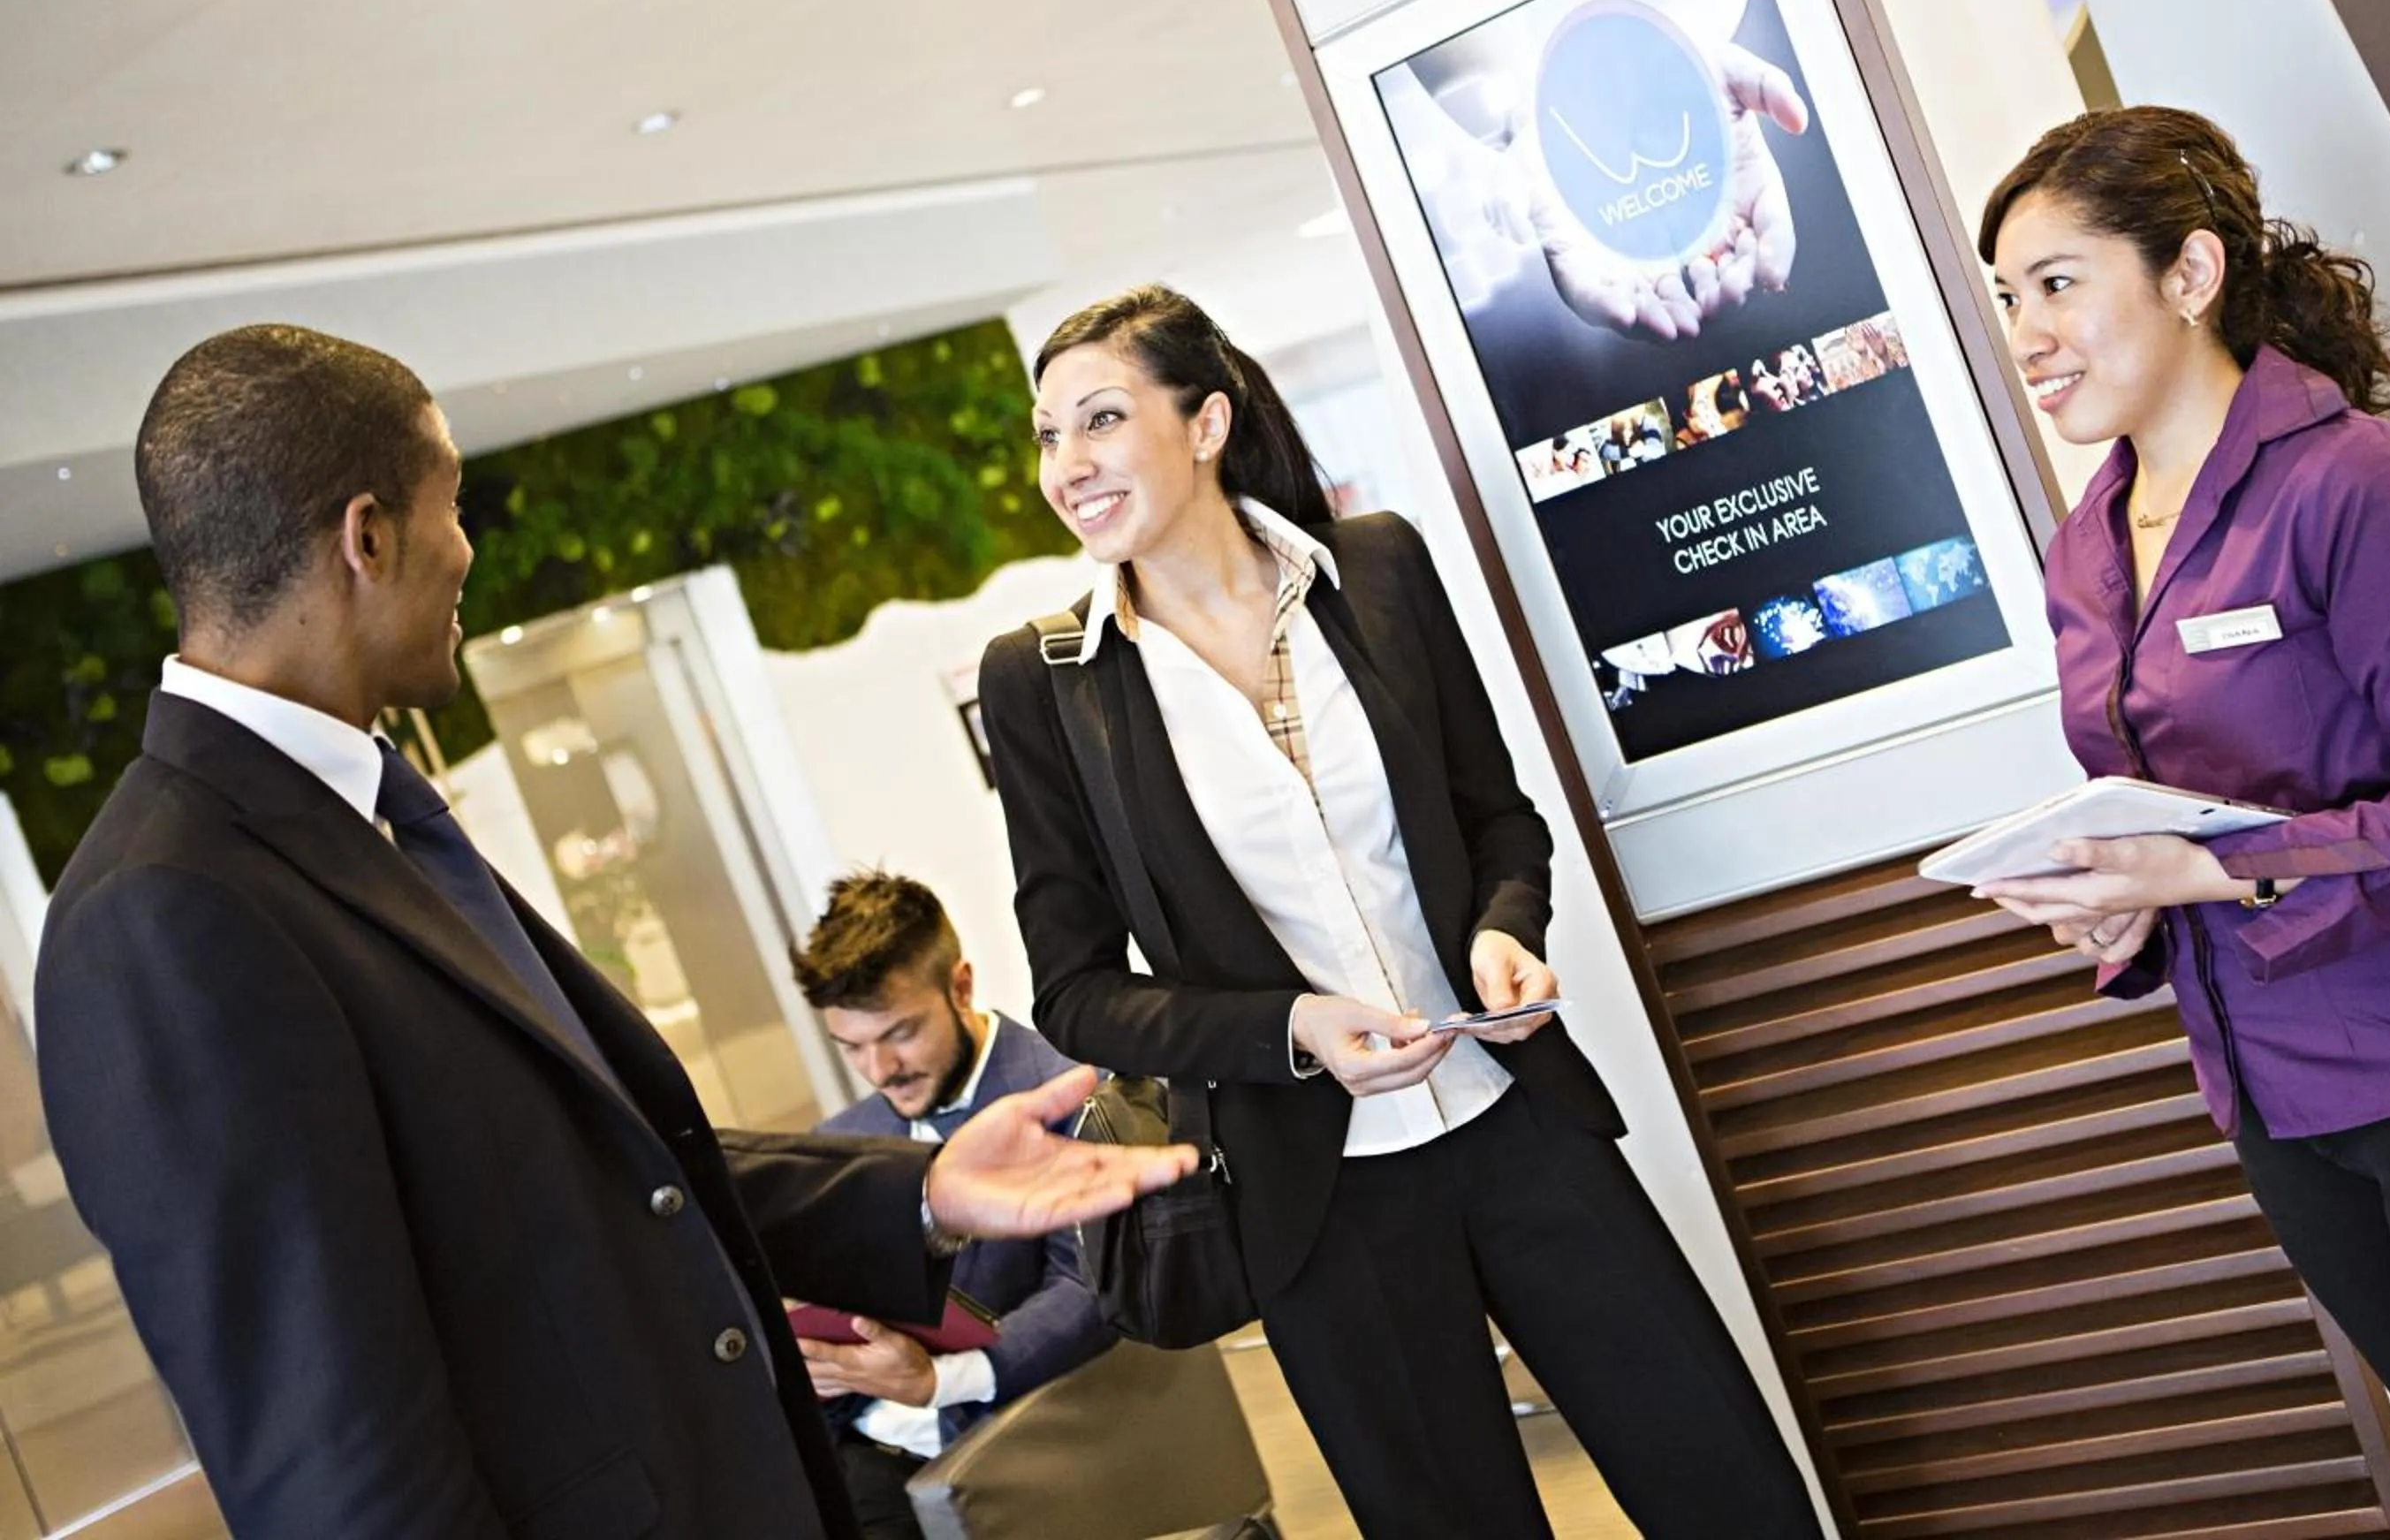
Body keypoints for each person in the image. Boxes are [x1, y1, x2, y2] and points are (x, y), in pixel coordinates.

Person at [34, 325, 1193, 1540]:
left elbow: (602, 1175)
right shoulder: (161, 916)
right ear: (365, 538)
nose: (469, 552)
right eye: (455, 510)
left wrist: (919, 1197)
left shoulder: (362, 821)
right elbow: (337, 1464)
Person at [974, 285, 1818, 1540]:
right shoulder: (1049, 684)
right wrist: (1291, 1025)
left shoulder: (1374, 571)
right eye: (1048, 435)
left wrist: (1504, 932)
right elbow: (1081, 990)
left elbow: (1500, 818)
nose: (1068, 465)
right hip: (1316, 1199)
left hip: (1519, 1121)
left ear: (1205, 424)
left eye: (1100, 419)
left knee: (1725, 1482)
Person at [1971, 108, 2390, 1537]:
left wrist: (2227, 871)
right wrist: (2129, 890)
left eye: (2056, 283)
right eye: (2007, 300)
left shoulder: (2356, 489)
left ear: (2191, 273)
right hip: (2281, 1106)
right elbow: (2175, 803)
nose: (2028, 334)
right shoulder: (2092, 546)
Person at [786, 871, 1113, 1539]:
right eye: (851, 1047)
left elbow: (1090, 1288)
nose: (879, 1071)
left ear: (960, 987)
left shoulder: (1074, 1093)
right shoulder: (839, 1142)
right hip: (849, 1446)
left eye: (901, 1034)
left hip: (1002, 1440)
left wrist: (940, 1380)